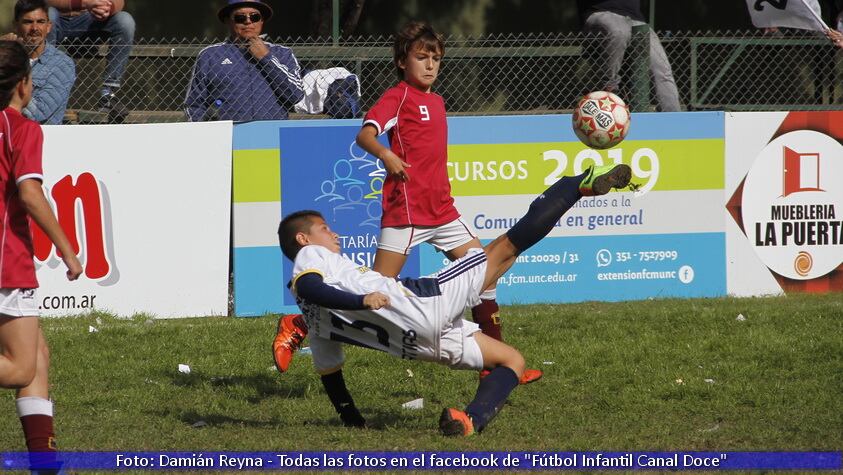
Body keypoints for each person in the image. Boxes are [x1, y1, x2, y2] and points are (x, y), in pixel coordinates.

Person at [273, 22, 542, 385]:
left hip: (444, 212)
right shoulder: (397, 97)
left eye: (436, 58)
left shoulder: (438, 101)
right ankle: (301, 322)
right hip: (408, 214)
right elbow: (365, 134)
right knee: (380, 288)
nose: (430, 65)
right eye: (421, 57)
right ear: (402, 61)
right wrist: (386, 154)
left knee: (486, 274)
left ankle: (494, 364)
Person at [278, 163, 632, 435]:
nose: (334, 232)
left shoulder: (315, 322)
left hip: (417, 345)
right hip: (421, 303)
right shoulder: (309, 260)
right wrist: (363, 300)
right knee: (505, 248)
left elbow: (332, 377)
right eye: (324, 229)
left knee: (512, 360)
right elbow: (310, 286)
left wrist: (352, 421)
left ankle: (469, 421)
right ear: (304, 240)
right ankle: (579, 183)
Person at [0, 40, 83, 472]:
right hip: (6, 262)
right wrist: (68, 250)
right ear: (24, 86)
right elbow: (30, 195)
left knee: (38, 357)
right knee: (17, 368)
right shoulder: (21, 127)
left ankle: (44, 463)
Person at [185, 0, 305, 122]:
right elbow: (194, 104)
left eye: (254, 17)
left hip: (272, 133)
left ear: (262, 20)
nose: (248, 21)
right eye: (240, 17)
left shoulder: (283, 53)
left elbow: (295, 95)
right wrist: (206, 135)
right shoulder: (210, 55)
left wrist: (266, 58)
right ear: (227, 21)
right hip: (228, 135)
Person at [577, 0, 681, 112]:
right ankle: (608, 91)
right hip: (602, 13)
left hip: (636, 19)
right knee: (619, 31)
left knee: (662, 70)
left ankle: (673, 118)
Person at [45, 0, 134, 122]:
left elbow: (119, 2)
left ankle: (107, 95)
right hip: (57, 21)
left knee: (125, 20)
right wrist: (86, 3)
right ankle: (44, 87)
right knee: (48, 13)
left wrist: (107, 8)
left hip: (91, 22)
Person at [1, 0, 75, 125]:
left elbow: (39, 112)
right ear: (15, 25)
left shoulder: (62, 64)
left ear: (49, 26)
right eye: (28, 22)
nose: (34, 28)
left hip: (42, 137)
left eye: (40, 22)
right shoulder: (6, 57)